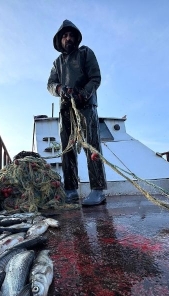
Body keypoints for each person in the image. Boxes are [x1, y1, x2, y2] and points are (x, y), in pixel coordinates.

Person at [47, 19, 107, 206]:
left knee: (92, 146)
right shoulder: (57, 63)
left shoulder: (86, 53)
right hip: (66, 109)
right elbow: (50, 84)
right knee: (67, 148)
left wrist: (83, 94)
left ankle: (98, 190)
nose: (68, 38)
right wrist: (60, 90)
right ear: (60, 40)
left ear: (76, 38)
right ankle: (71, 189)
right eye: (64, 35)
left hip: (87, 106)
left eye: (71, 35)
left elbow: (95, 77)